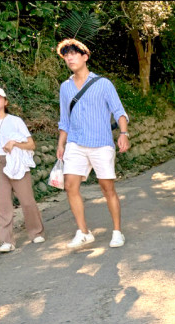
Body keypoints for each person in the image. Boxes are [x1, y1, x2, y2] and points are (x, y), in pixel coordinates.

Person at [55, 38, 130, 249]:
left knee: (107, 188)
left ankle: (117, 232)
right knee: (70, 186)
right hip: (75, 143)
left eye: (73, 54)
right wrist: (61, 144)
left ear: (85, 57)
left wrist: (123, 133)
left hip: (101, 143)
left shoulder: (103, 84)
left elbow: (119, 111)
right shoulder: (65, 87)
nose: (69, 58)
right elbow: (65, 119)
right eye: (66, 55)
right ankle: (84, 232)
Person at [0, 87, 45, 253]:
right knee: (2, 203)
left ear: (5, 102)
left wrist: (14, 143)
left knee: (26, 200)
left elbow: (31, 145)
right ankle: (6, 241)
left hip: (15, 161)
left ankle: (36, 232)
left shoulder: (15, 121)